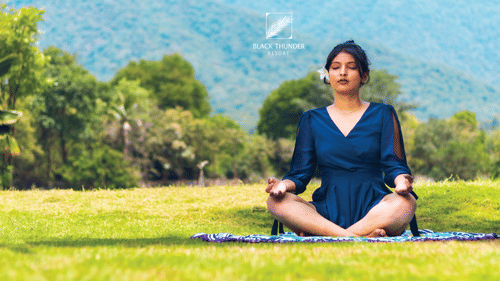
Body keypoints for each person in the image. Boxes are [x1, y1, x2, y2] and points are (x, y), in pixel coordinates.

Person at [265, 40, 416, 237]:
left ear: (364, 75)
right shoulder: (311, 119)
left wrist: (402, 181)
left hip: (375, 207)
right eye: (335, 67)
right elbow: (300, 175)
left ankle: (328, 235)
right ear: (328, 75)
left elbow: (394, 163)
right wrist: (282, 185)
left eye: (351, 67)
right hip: (326, 209)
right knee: (275, 202)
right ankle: (355, 236)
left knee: (406, 202)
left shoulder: (383, 113)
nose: (342, 72)